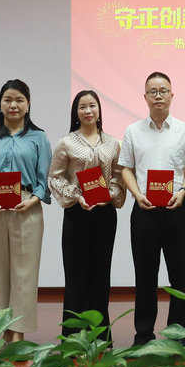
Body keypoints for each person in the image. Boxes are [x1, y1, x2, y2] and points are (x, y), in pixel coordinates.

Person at [119, 72, 185, 346]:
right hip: (144, 211)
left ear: (171, 95)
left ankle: (180, 335)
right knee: (144, 276)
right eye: (152, 91)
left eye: (163, 90)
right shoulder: (133, 131)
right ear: (145, 97)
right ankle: (143, 336)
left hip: (177, 209)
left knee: (180, 276)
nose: (158, 95)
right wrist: (137, 194)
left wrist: (183, 191)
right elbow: (126, 168)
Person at [0, 79, 51, 343]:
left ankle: (19, 333)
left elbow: (44, 180)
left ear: (28, 105)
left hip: (26, 206)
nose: (13, 105)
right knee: (0, 271)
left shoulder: (39, 137)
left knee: (25, 273)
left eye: (19, 100)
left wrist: (33, 199)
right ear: (0, 104)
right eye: (8, 99)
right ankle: (4, 330)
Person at [48, 90, 126, 336]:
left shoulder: (112, 143)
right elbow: (55, 177)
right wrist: (77, 196)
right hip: (77, 214)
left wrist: (108, 195)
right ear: (76, 112)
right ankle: (73, 339)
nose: (88, 111)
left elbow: (119, 177)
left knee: (101, 275)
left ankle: (101, 337)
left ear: (99, 110)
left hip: (104, 216)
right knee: (75, 276)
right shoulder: (66, 143)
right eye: (82, 107)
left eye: (92, 105)